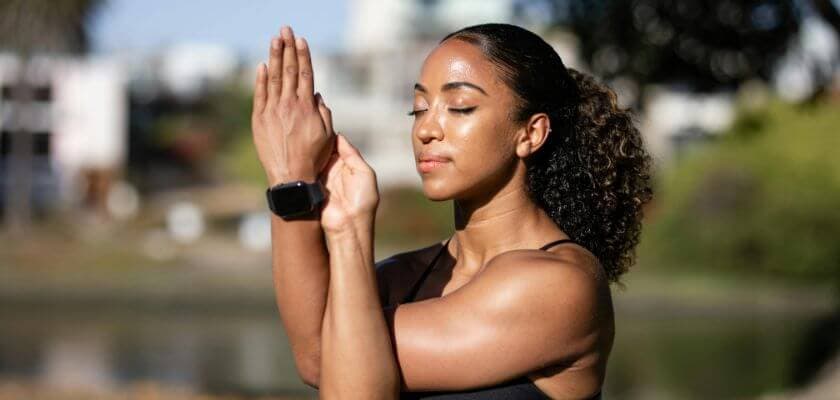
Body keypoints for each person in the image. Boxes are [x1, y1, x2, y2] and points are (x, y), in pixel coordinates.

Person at [251, 22, 652, 399]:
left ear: (531, 133)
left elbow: (339, 369)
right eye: (419, 108)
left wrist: (349, 231)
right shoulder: (408, 276)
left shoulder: (559, 285)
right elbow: (318, 357)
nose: (426, 129)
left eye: (459, 107)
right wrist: (290, 178)